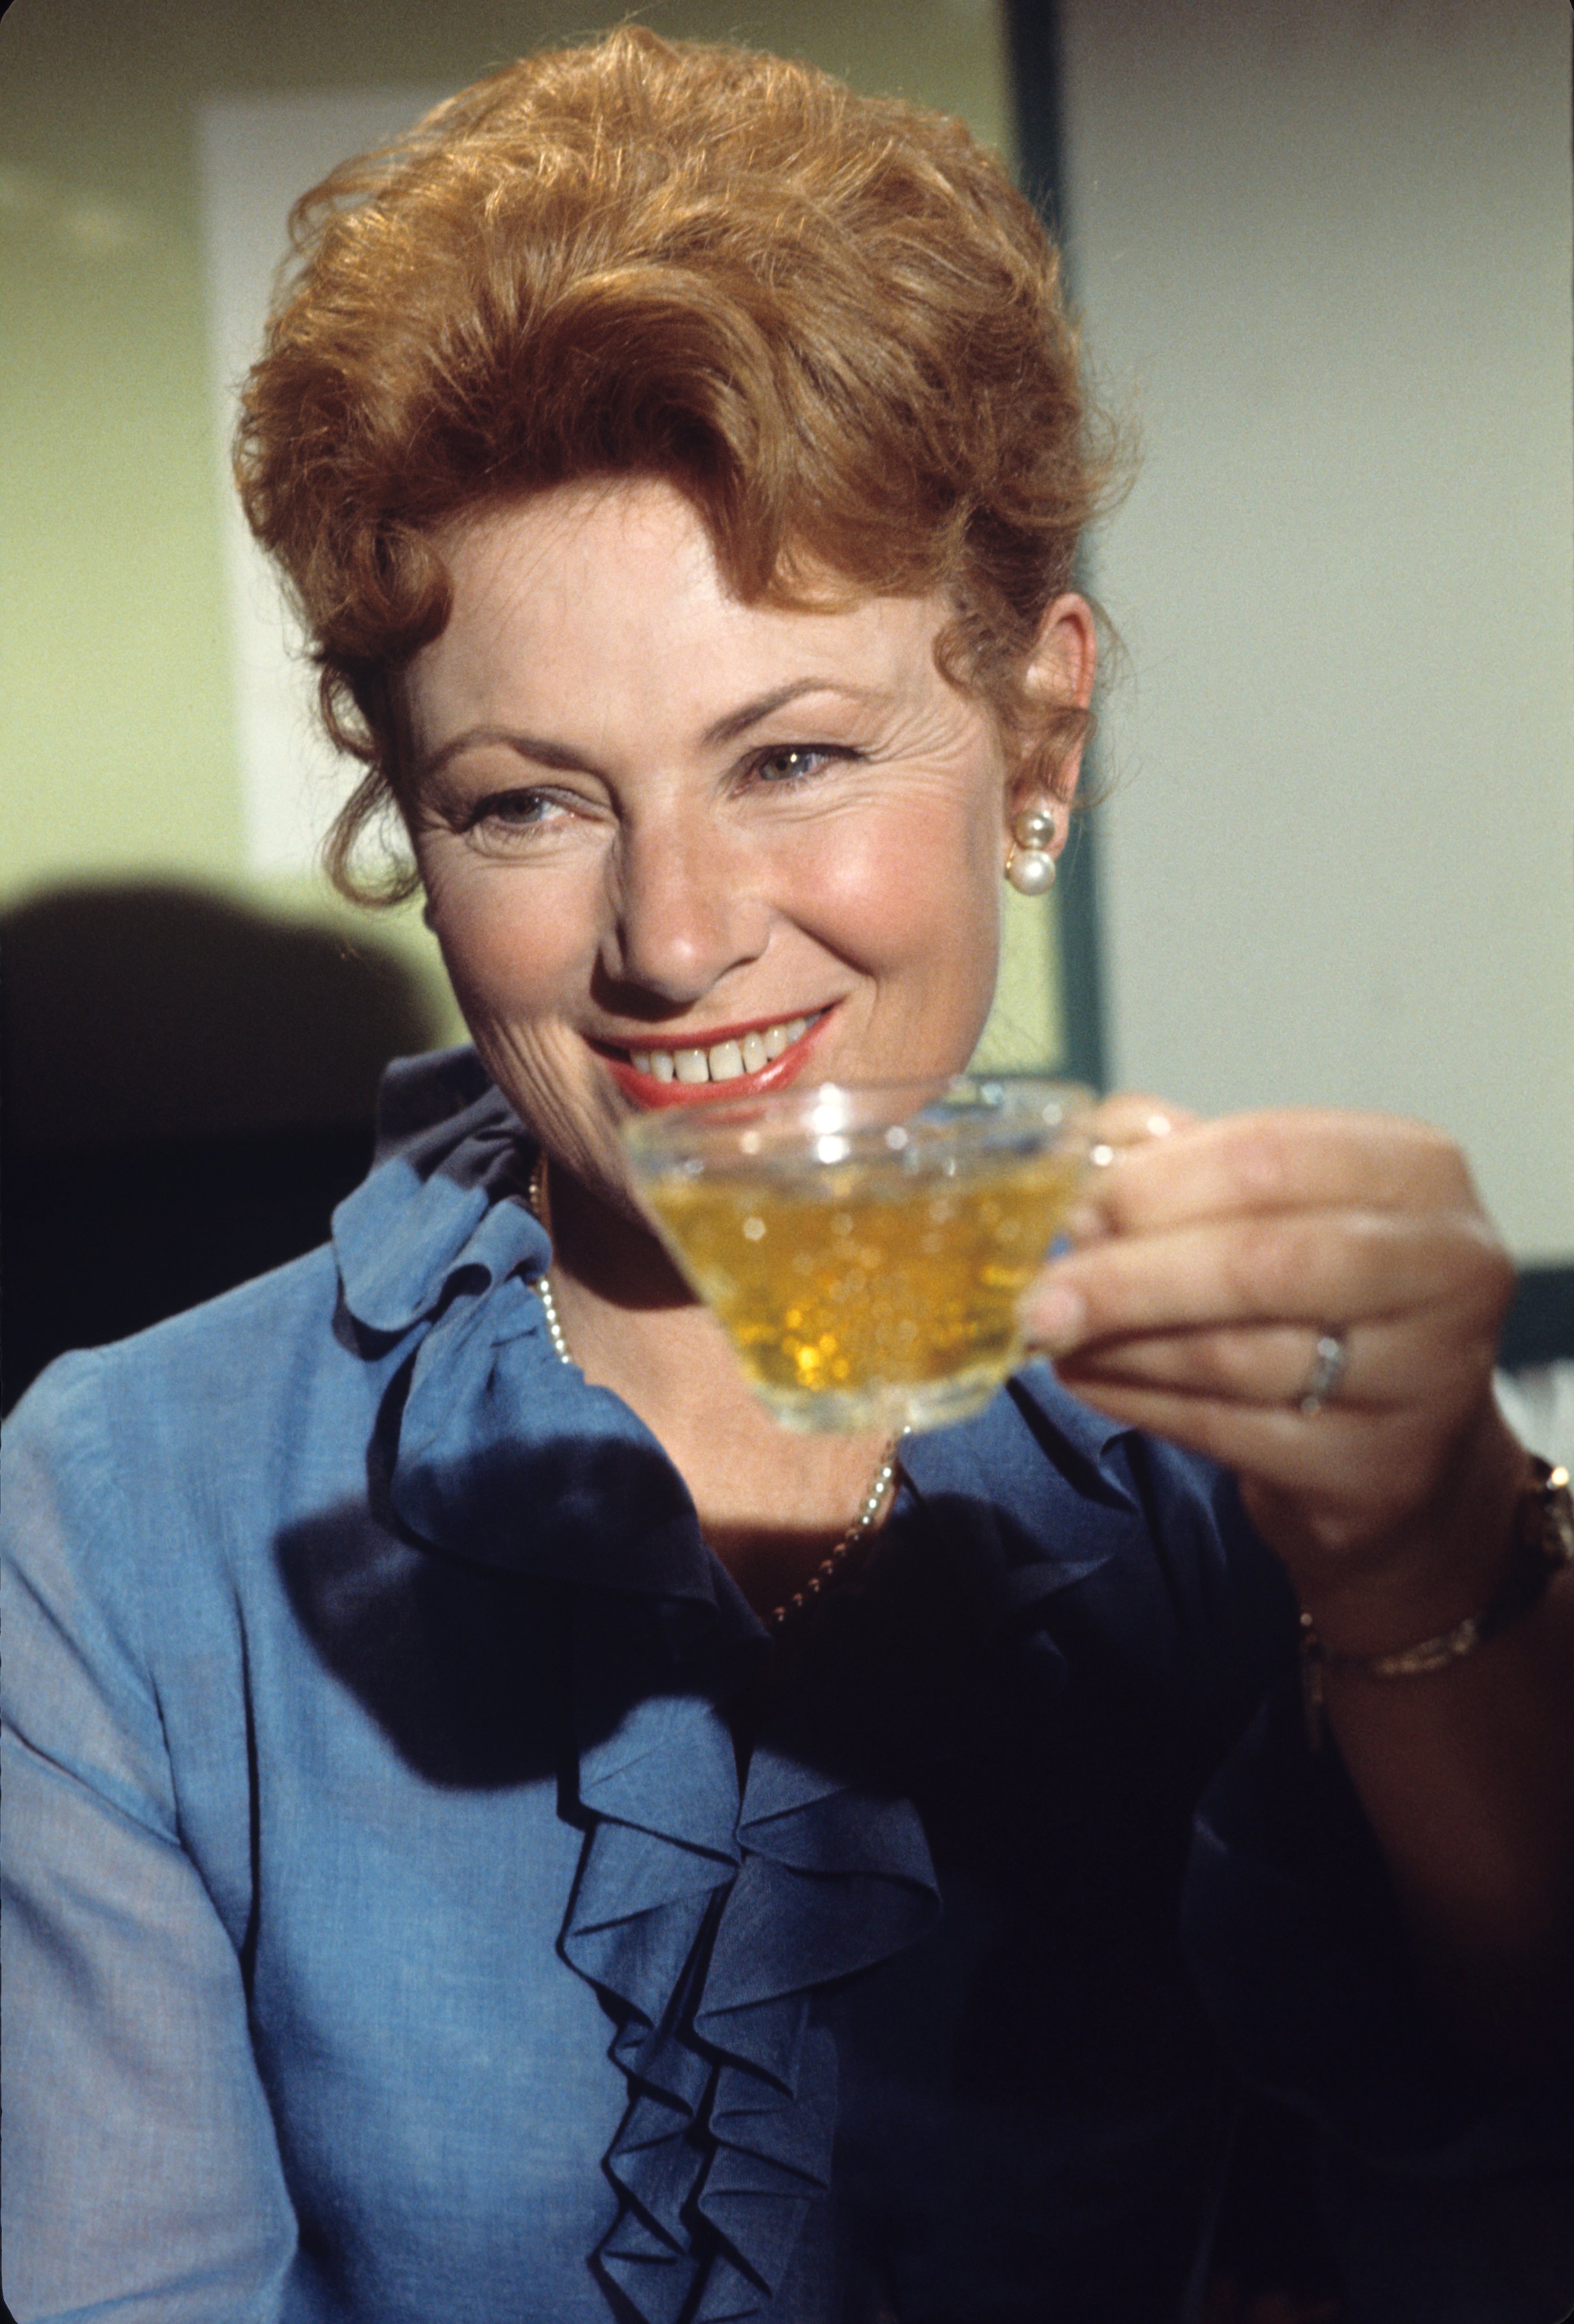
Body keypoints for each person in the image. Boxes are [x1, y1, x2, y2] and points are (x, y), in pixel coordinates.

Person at [3, 29, 1571, 2324]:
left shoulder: (1269, 1423)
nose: (669, 937)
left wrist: (1426, 1536)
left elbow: (1512, 2143)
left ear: (1037, 725)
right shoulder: (120, 1521)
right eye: (527, 801)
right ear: (410, 827)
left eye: (794, 753)